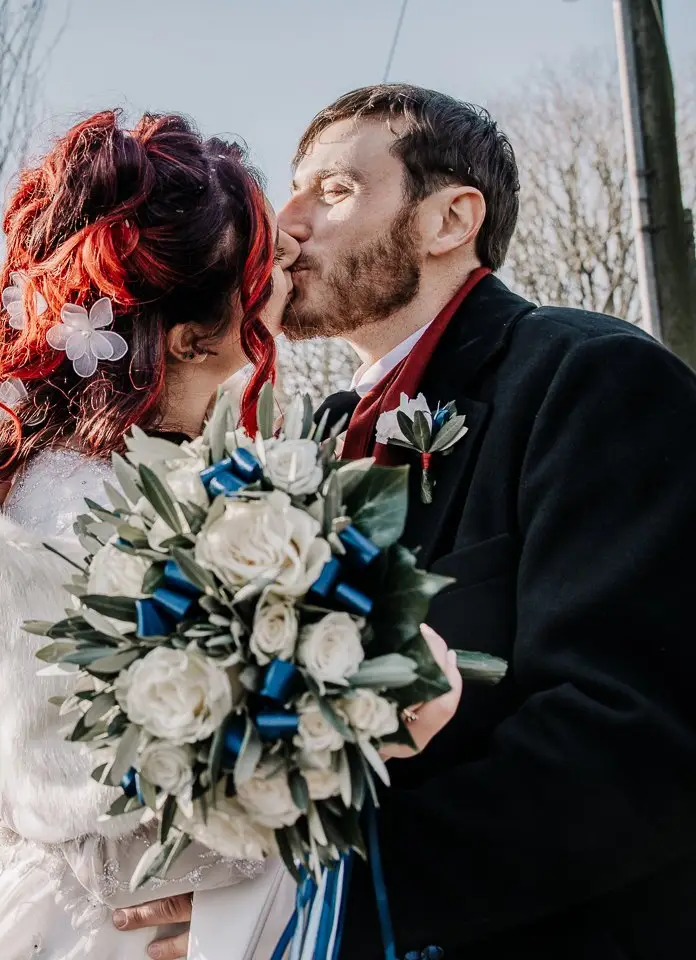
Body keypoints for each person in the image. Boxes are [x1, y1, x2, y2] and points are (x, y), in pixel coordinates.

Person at [0, 110, 461, 960]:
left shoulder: (32, 485)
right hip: (149, 931)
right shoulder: (122, 522)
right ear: (192, 337)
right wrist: (400, 700)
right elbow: (198, 782)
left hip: (44, 911)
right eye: (263, 262)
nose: (289, 268)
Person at [128, 84, 696, 959]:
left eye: (337, 190)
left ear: (448, 220)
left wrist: (318, 910)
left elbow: (638, 743)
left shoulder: (596, 382)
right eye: (294, 187)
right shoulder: (303, 442)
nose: (286, 222)